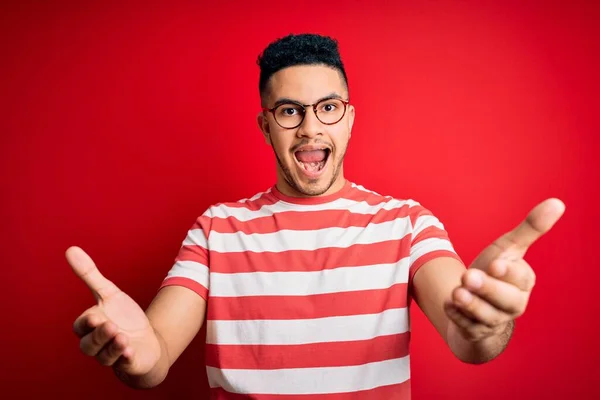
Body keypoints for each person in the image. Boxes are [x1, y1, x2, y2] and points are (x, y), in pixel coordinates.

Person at [66, 33, 565, 399]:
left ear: (349, 118)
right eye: (289, 111)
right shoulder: (217, 229)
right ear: (266, 126)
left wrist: (486, 325)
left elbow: (468, 341)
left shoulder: (406, 223)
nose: (309, 128)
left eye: (327, 107)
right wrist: (134, 350)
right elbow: (154, 359)